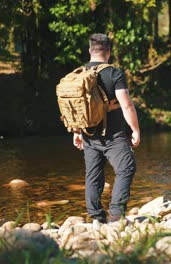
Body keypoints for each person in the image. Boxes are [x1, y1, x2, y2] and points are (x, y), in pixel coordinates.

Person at [73, 33, 140, 224]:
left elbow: (77, 106)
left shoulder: (79, 73)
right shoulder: (114, 73)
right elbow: (126, 105)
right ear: (108, 52)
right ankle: (117, 215)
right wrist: (135, 130)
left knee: (93, 175)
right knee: (126, 168)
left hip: (88, 135)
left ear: (90, 51)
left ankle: (96, 217)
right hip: (114, 136)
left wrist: (77, 132)